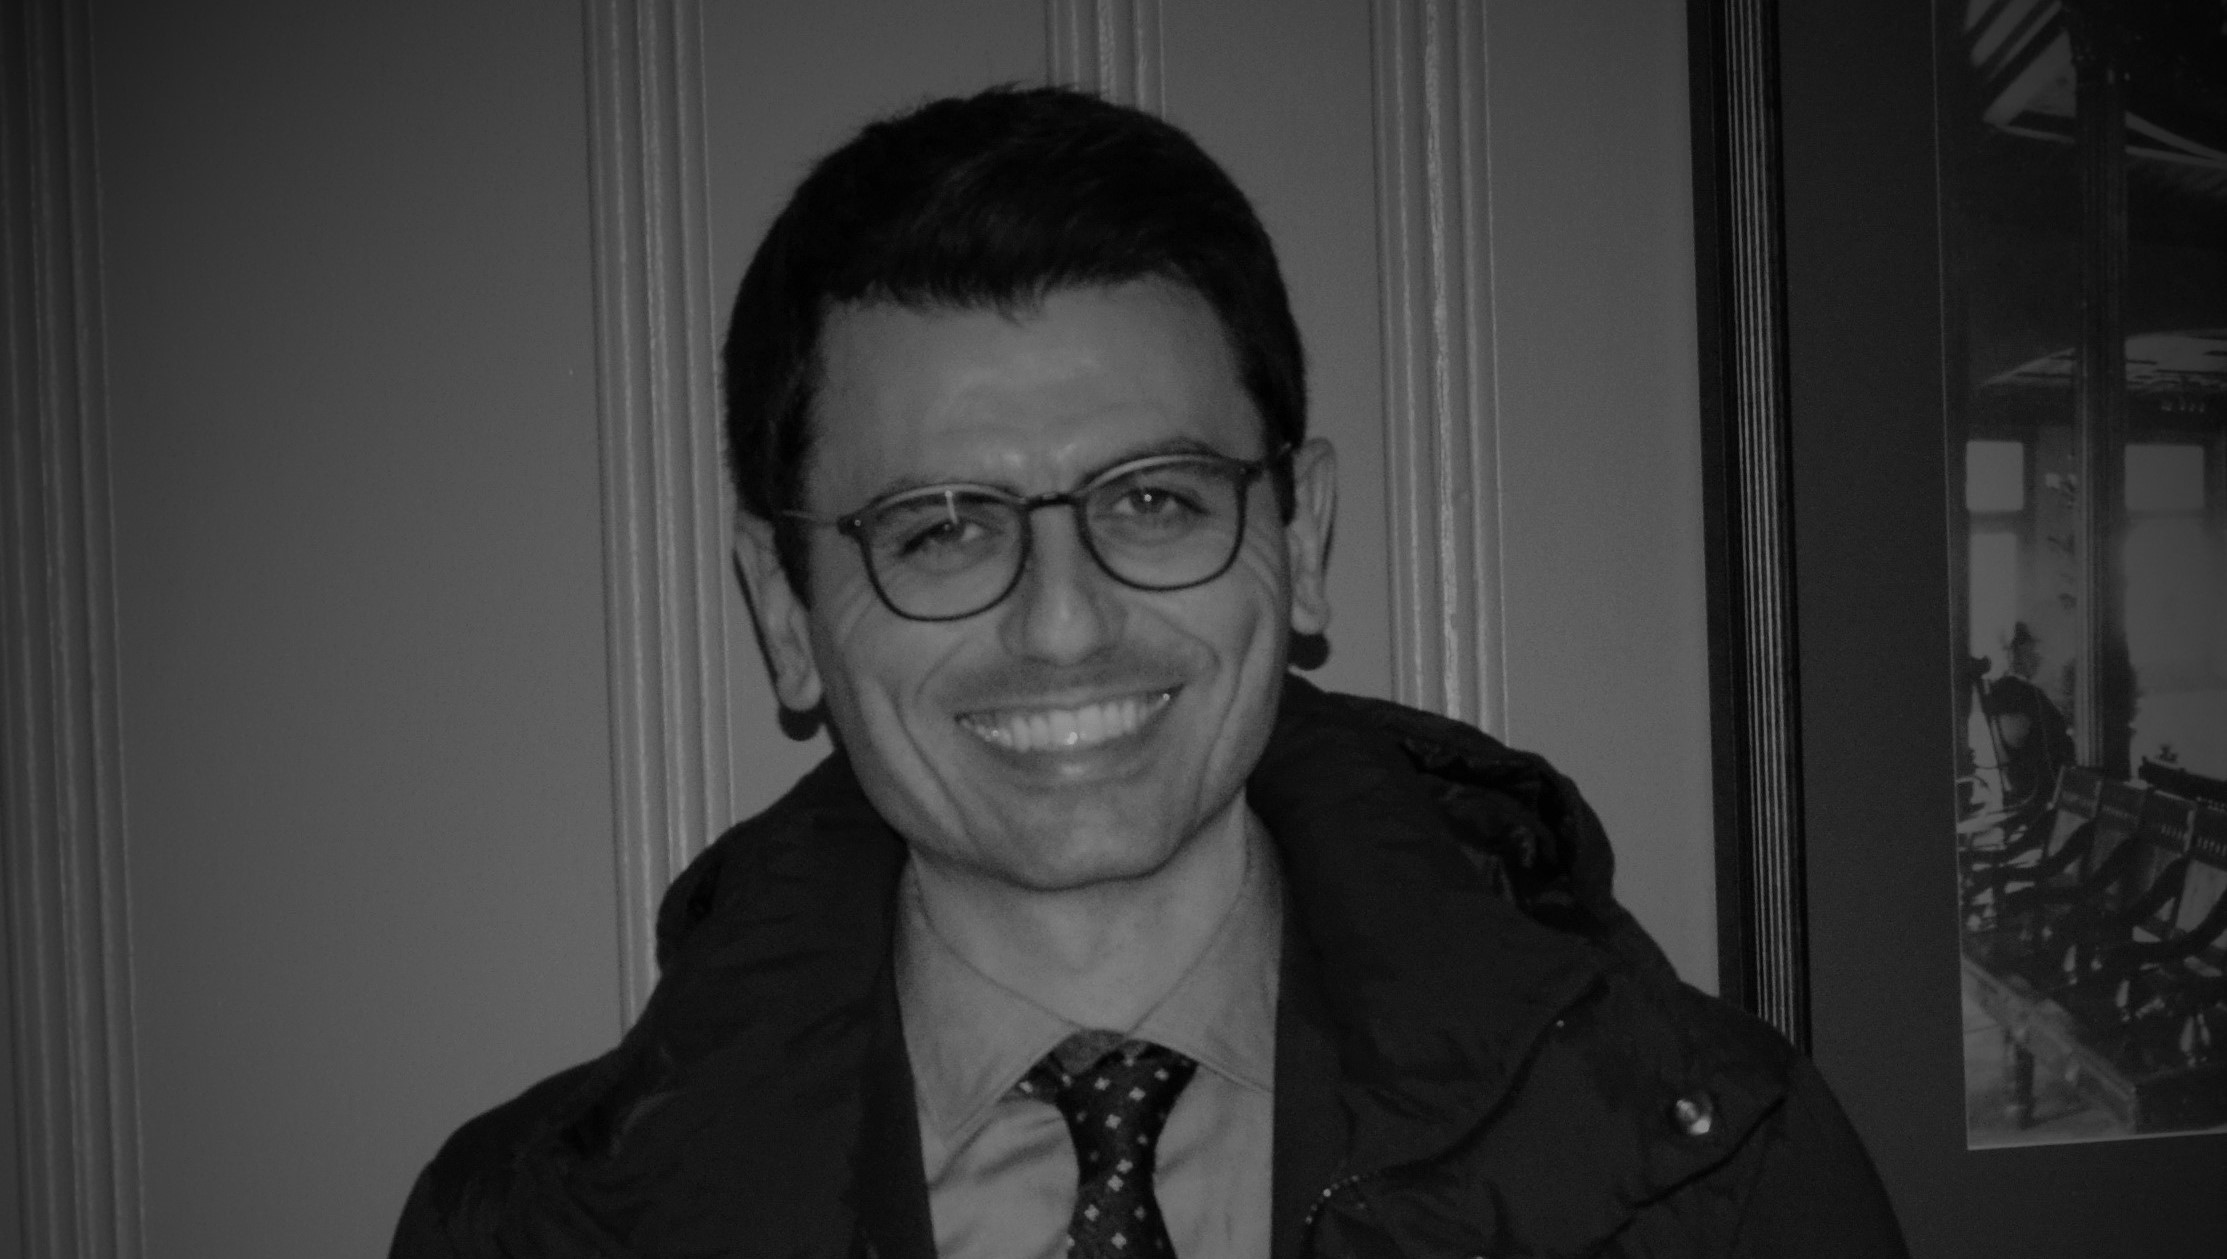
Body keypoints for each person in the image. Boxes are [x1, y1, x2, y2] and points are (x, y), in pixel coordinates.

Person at [391, 86, 1907, 1258]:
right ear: (787, 612)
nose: (1063, 624)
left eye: (1157, 499)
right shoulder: (526, 1231)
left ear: (1300, 537)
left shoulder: (1715, 1172)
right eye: (940, 529)